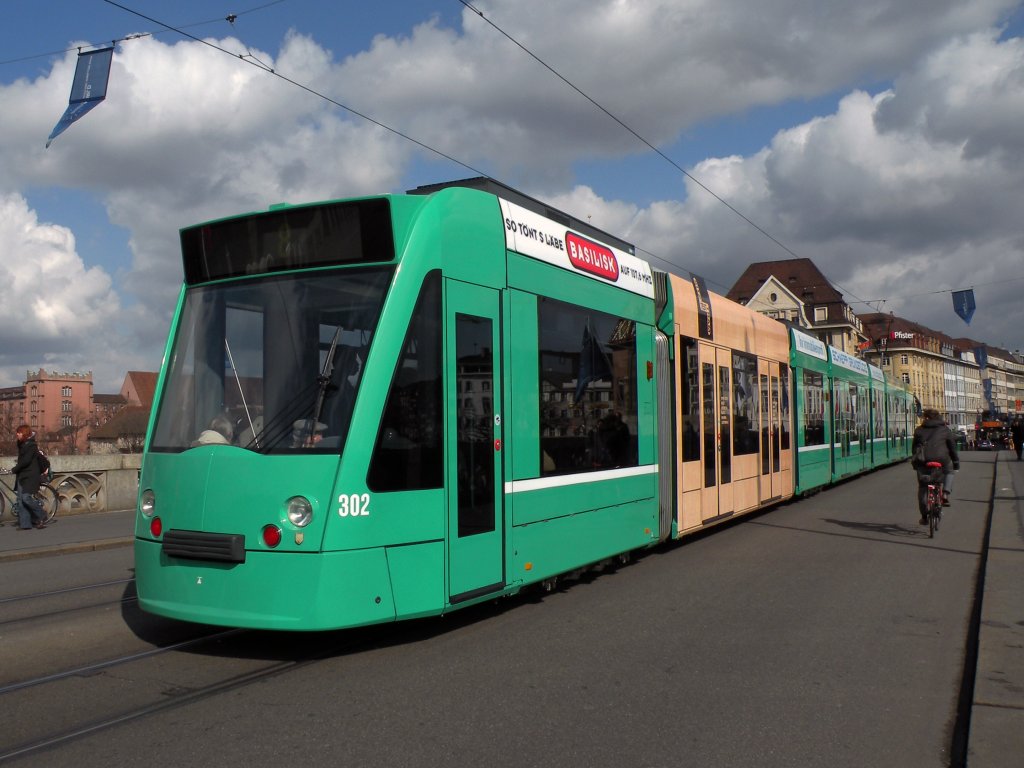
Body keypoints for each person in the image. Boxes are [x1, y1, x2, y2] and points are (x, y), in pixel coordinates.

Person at [911, 409, 959, 525]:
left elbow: (914, 449)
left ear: (925, 418)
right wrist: (956, 462)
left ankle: (924, 516)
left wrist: (916, 463)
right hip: (942, 460)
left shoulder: (919, 430)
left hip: (924, 461)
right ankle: (946, 493)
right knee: (949, 471)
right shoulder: (945, 430)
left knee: (923, 487)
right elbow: (952, 448)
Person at [9, 424, 48, 530]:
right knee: (21, 500)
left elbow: (26, 461)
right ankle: (25, 524)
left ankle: (41, 514)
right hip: (22, 475)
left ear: (25, 434)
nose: (17, 434)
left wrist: (14, 469)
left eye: (19, 432)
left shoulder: (31, 445)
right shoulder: (22, 444)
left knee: (26, 498)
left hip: (30, 476)